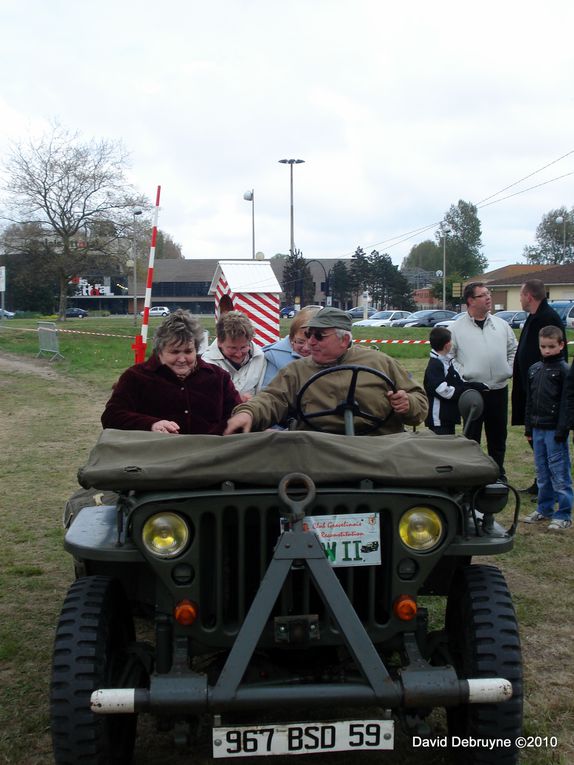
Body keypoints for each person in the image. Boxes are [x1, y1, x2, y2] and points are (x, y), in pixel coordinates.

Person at [224, 306, 428, 436]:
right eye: (308, 334)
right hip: (318, 449)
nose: (310, 342)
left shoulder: (381, 362)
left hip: (378, 446)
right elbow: (272, 399)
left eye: (319, 336)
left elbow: (418, 401)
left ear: (344, 340)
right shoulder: (297, 371)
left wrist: (407, 404)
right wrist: (248, 413)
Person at [101, 309, 242, 434]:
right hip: (156, 458)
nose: (182, 359)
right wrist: (151, 424)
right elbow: (111, 417)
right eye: (174, 352)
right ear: (160, 351)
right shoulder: (136, 377)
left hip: (209, 456)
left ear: (197, 349)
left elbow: (238, 416)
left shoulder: (219, 377)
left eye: (188, 351)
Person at [449, 282, 517, 481]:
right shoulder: (456, 329)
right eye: (483, 295)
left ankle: (498, 473)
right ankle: (473, 475)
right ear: (470, 300)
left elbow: (513, 350)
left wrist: (508, 368)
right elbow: (450, 358)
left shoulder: (501, 326)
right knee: (472, 437)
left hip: (499, 389)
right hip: (472, 394)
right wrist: (465, 376)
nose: (489, 298)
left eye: (489, 294)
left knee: (498, 436)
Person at [511, 279, 567, 496]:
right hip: (532, 388)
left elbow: (556, 356)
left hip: (545, 391)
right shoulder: (534, 317)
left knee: (547, 443)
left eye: (521, 295)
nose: (520, 299)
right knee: (534, 438)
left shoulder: (547, 318)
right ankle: (542, 482)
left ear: (529, 296)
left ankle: (552, 485)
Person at [522, 326, 572, 531]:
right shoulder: (534, 369)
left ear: (561, 345)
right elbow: (530, 401)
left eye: (552, 346)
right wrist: (528, 427)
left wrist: (562, 429)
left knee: (559, 472)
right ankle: (545, 508)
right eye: (543, 346)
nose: (547, 350)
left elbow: (567, 404)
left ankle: (564, 513)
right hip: (537, 428)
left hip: (554, 430)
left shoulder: (565, 372)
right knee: (542, 472)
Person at [423, 326, 487, 435]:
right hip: (439, 419)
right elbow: (443, 391)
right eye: (451, 341)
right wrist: (465, 392)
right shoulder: (435, 364)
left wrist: (476, 386)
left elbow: (459, 383)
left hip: (448, 417)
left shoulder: (446, 362)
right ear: (447, 345)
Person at [202, 311, 267, 400]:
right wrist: (237, 399)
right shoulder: (207, 364)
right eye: (233, 348)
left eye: (243, 347)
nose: (239, 354)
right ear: (219, 342)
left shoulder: (260, 357)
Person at [261, 306, 320, 387]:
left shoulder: (334, 354)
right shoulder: (274, 356)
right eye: (300, 342)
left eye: (312, 343)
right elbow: (268, 392)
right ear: (291, 338)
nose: (306, 348)